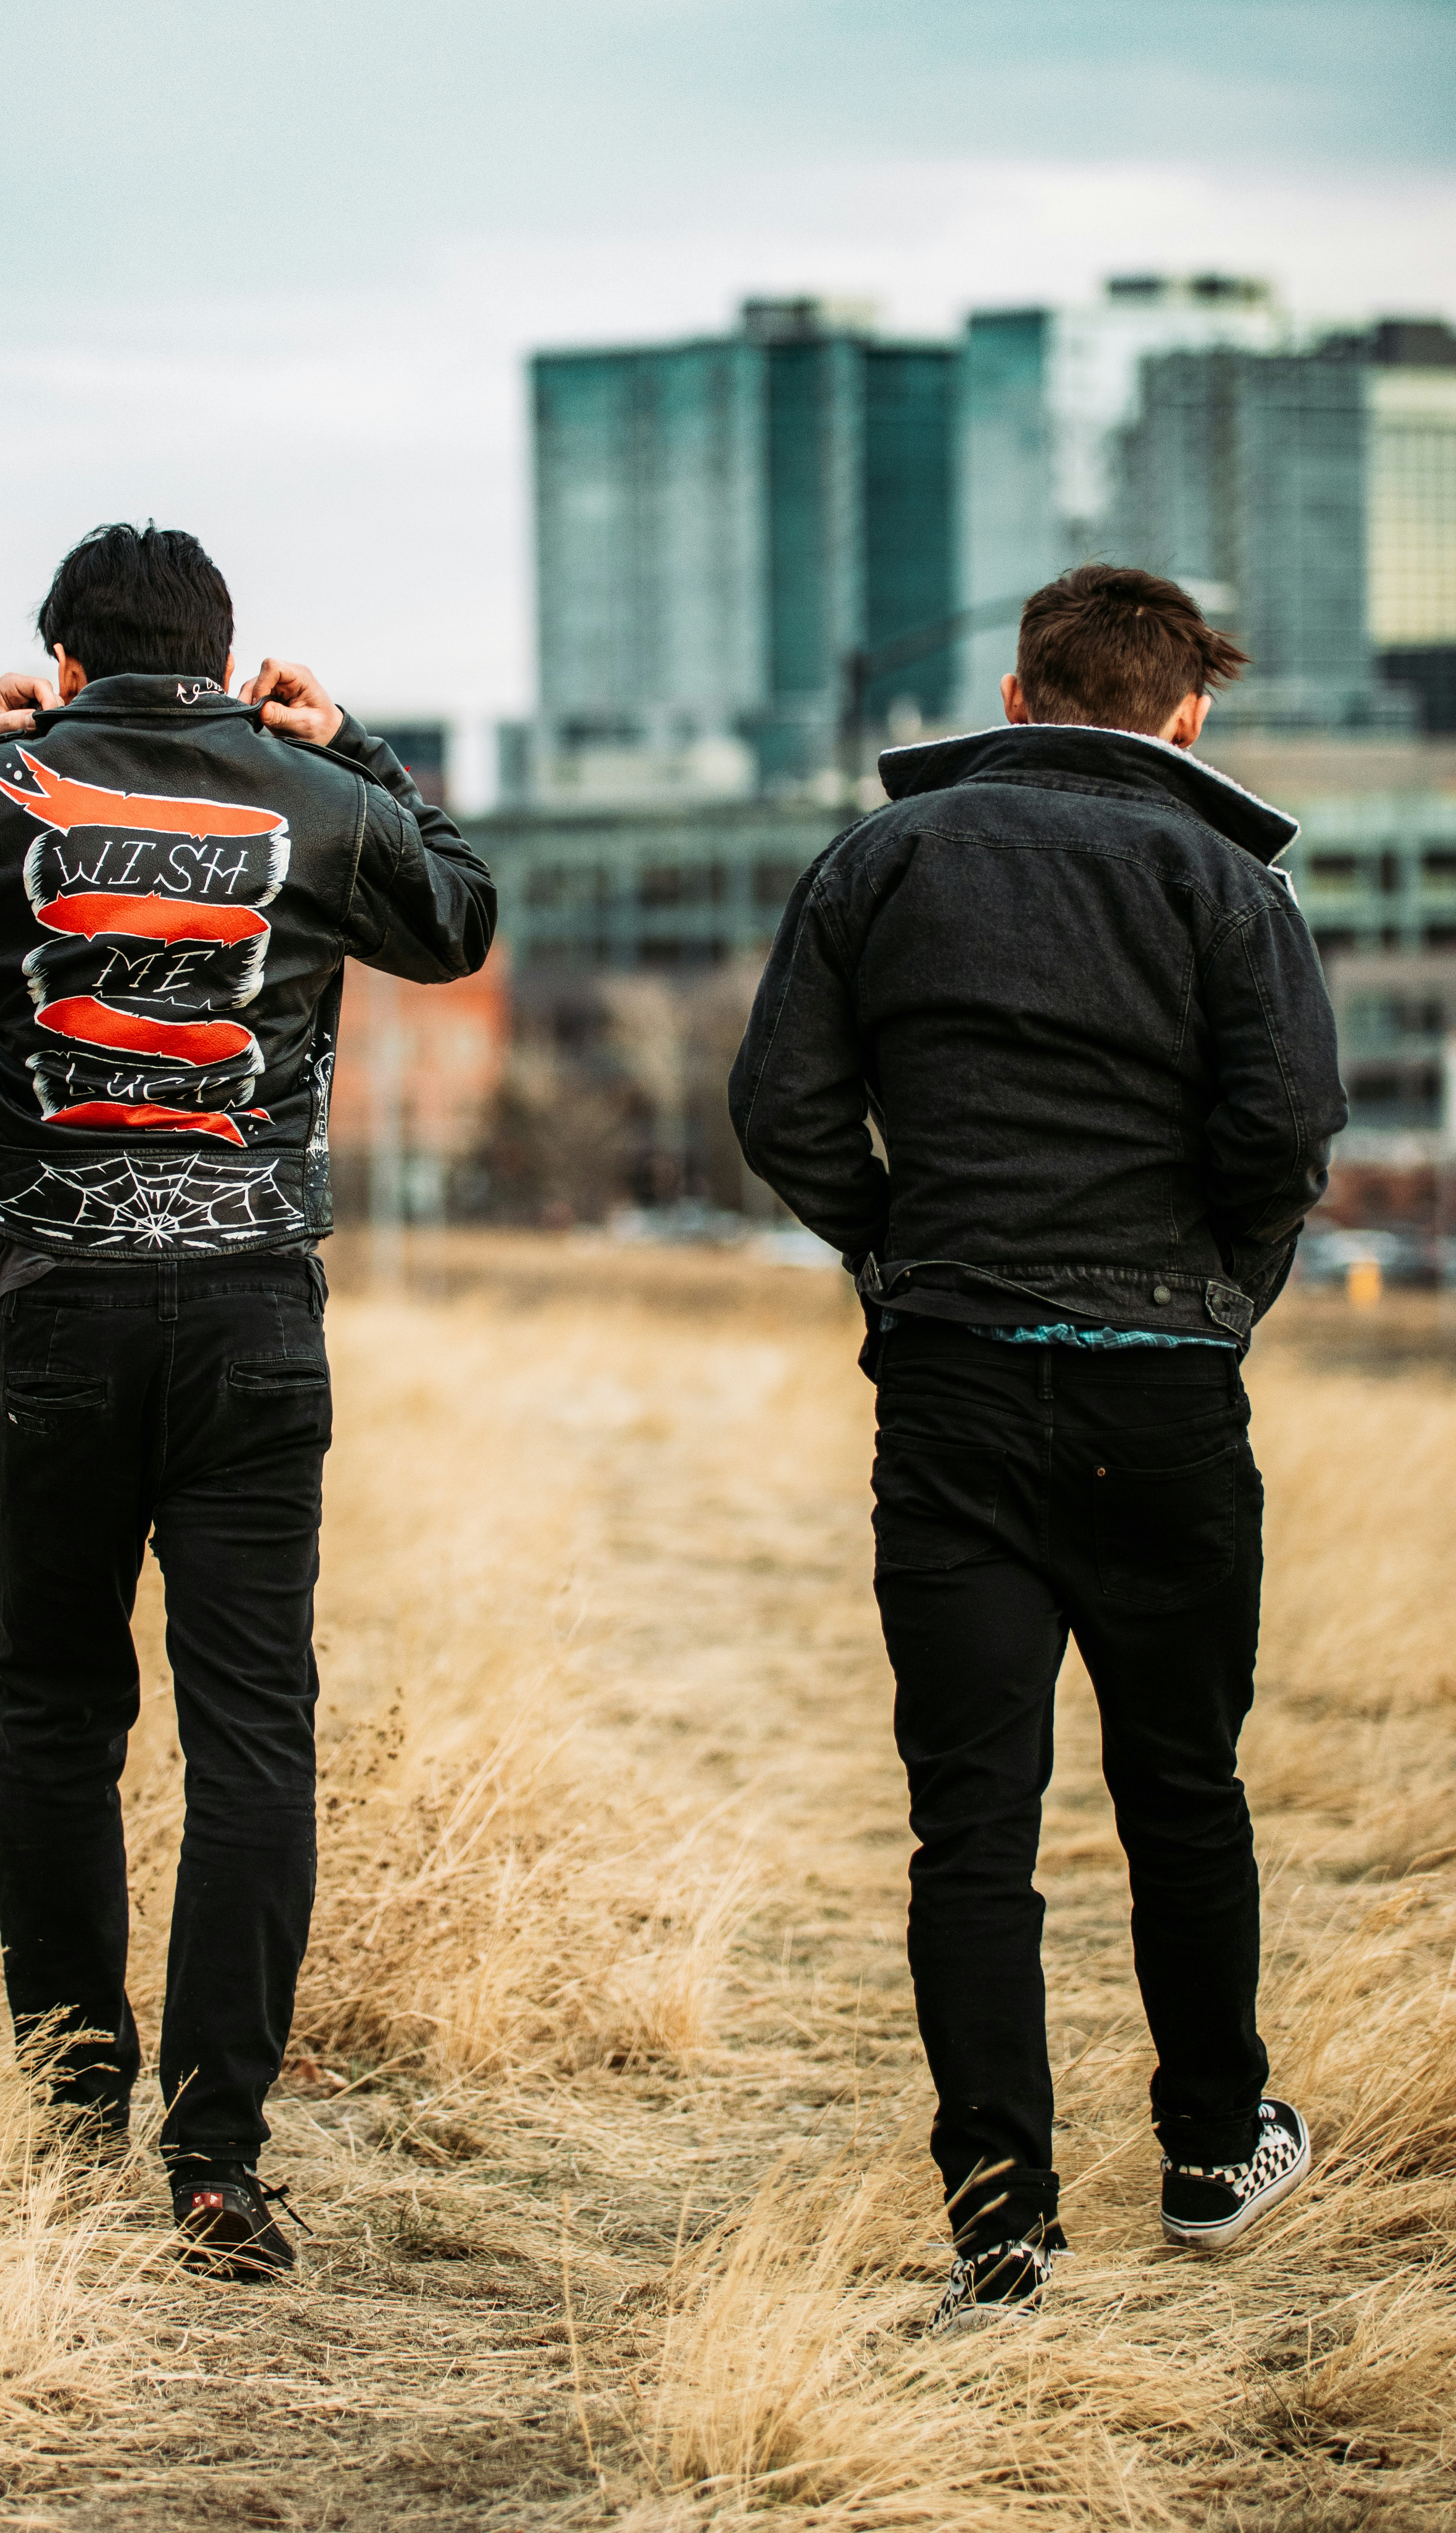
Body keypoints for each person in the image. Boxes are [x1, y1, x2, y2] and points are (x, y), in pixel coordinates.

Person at [0, 522, 495, 2279]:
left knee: (57, 1713)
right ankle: (218, 2158)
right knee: (254, 1731)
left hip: (62, 1315)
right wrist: (357, 750)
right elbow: (459, 920)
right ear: (226, 652)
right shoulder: (314, 807)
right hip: (256, 1316)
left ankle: (69, 2105)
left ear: (67, 658)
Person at [729, 564, 1345, 2335]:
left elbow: (778, 1108)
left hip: (951, 1392)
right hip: (1160, 1396)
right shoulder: (1226, 882)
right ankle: (1216, 2151)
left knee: (968, 1827)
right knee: (1183, 1792)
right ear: (1184, 716)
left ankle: (1000, 2220)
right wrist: (1214, 1293)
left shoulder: (875, 864)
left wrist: (891, 1250)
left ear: (1011, 696)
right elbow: (1284, 1127)